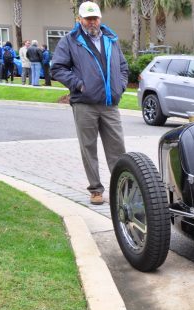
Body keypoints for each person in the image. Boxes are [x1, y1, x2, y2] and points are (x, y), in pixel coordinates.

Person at [51, 1, 129, 205]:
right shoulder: (70, 41)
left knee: (118, 149)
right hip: (84, 104)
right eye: (87, 18)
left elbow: (123, 67)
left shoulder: (111, 40)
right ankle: (95, 189)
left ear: (100, 19)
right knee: (89, 148)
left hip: (110, 104)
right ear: (80, 19)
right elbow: (57, 68)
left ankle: (122, 190)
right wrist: (78, 84)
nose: (92, 22)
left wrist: (119, 87)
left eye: (95, 18)